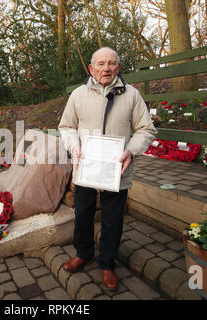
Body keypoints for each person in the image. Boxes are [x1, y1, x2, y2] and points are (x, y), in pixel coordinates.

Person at [58, 47, 157, 290]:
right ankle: (83, 253)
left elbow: (146, 129)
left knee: (113, 218)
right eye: (101, 64)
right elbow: (66, 127)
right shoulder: (78, 95)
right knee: (83, 213)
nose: (106, 68)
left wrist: (130, 151)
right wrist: (75, 147)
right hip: (86, 167)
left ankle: (107, 263)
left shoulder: (132, 94)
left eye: (111, 63)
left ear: (118, 68)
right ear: (91, 69)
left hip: (116, 170)